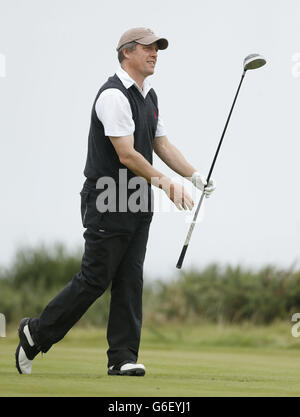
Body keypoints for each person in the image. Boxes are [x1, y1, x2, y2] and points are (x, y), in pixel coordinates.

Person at [15, 27, 216, 377]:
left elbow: (161, 146)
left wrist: (194, 176)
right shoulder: (113, 96)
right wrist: (168, 184)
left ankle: (122, 357)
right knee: (94, 279)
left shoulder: (148, 96)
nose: (155, 54)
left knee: (130, 280)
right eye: (148, 48)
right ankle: (36, 333)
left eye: (157, 49)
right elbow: (127, 155)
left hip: (138, 201)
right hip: (108, 199)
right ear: (127, 52)